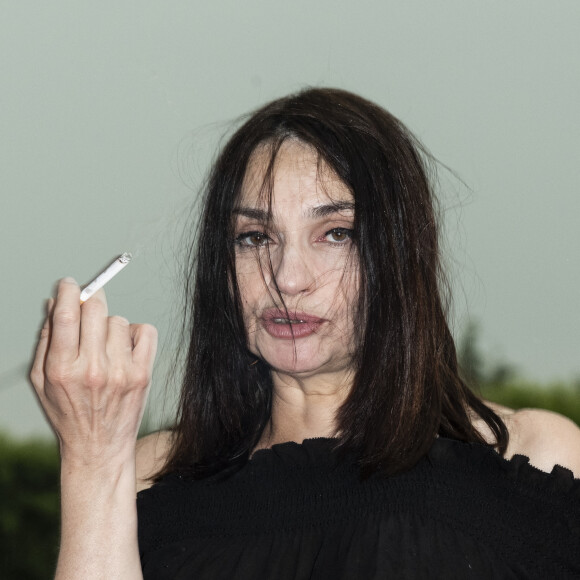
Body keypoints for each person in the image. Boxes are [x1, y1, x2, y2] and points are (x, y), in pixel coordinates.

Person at [31, 88, 580, 579]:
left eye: (336, 233)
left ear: (400, 254)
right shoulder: (145, 479)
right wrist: (93, 457)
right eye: (254, 238)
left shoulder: (534, 460)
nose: (289, 280)